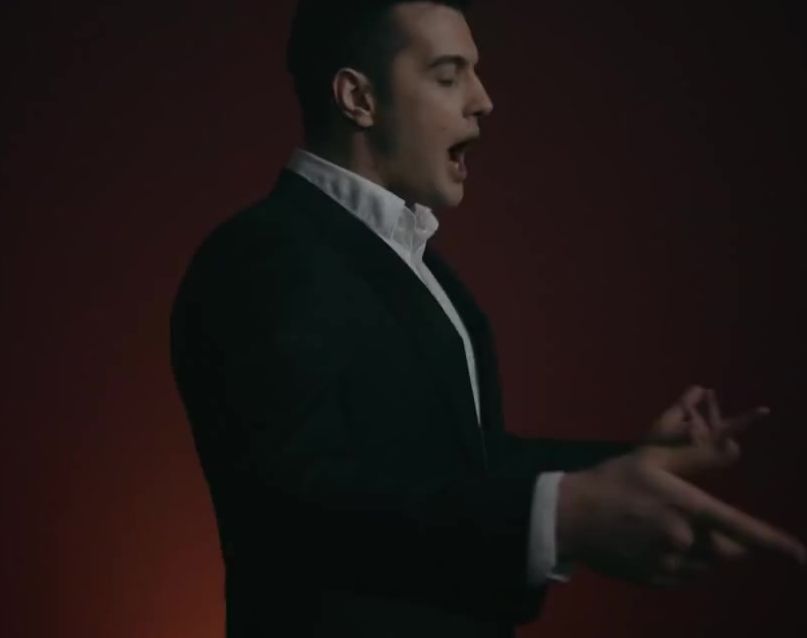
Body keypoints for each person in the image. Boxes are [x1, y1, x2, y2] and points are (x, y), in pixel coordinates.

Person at [169, 1, 805, 636]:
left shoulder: (422, 268)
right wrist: (560, 519)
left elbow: (467, 466)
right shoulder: (262, 255)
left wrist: (633, 463)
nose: (483, 100)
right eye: (448, 76)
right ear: (358, 98)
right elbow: (294, 509)